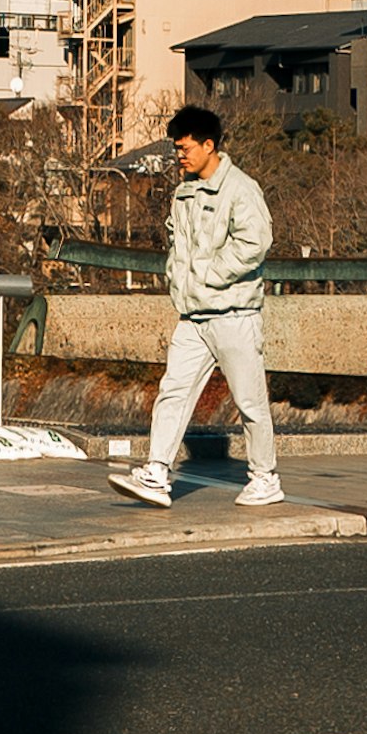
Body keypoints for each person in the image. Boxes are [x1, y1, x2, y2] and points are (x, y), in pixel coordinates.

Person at [112, 103, 280, 508]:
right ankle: (156, 472)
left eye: (186, 147)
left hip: (234, 315)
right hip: (193, 317)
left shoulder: (241, 188)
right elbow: (176, 242)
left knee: (250, 402)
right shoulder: (183, 192)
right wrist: (180, 278)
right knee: (172, 392)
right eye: (177, 148)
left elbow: (255, 243)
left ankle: (265, 478)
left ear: (209, 145)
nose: (180, 155)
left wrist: (207, 274)